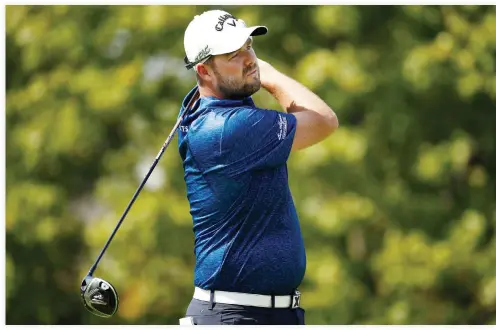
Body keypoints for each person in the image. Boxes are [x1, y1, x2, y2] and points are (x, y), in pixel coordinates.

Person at [176, 9, 338, 325]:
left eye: (249, 45)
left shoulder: (221, 107)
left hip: (267, 314)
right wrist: (271, 75)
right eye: (233, 54)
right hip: (234, 316)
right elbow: (323, 121)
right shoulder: (228, 128)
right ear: (204, 71)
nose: (249, 58)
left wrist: (242, 68)